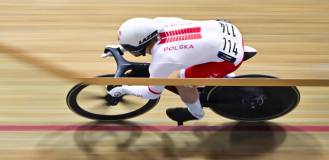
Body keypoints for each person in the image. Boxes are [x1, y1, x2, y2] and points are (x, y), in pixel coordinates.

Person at [108, 17, 254, 125]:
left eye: (129, 47)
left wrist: (124, 89)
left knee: (182, 80)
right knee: (189, 59)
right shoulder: (160, 22)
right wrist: (121, 48)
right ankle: (222, 80)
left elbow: (152, 93)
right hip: (226, 30)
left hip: (228, 58)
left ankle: (196, 113)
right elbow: (139, 37)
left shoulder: (162, 59)